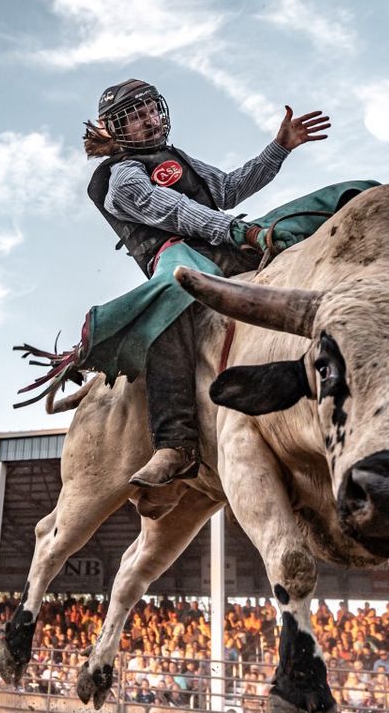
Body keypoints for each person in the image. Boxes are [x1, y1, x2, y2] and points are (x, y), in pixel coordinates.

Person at [83, 79, 331, 495]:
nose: (147, 120)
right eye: (134, 116)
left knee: (316, 217)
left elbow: (229, 189)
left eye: (150, 110)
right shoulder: (119, 177)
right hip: (180, 254)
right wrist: (240, 233)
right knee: (172, 298)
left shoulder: (179, 159)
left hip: (227, 238)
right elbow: (178, 212)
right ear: (114, 129)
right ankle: (175, 442)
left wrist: (280, 147)